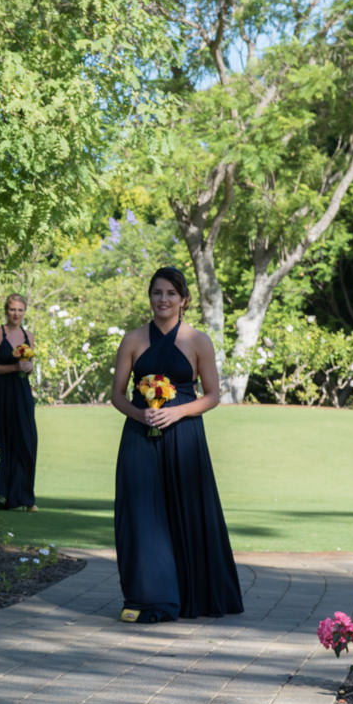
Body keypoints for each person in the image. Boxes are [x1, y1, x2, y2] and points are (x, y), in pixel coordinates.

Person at [109, 266, 244, 623]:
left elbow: (213, 395)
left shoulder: (198, 341)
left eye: (170, 293)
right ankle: (148, 596)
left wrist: (178, 413)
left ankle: (191, 595)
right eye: (156, 293)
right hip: (140, 436)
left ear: (184, 300)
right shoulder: (133, 340)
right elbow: (117, 395)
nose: (162, 300)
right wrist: (140, 416)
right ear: (150, 298)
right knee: (141, 513)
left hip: (184, 438)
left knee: (186, 510)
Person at [0, 293, 38, 510]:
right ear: (6, 310)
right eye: (12, 309)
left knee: (25, 439)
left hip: (21, 393)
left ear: (24, 312)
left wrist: (28, 368)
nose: (16, 314)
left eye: (20, 310)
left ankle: (21, 497)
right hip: (0, 393)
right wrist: (14, 368)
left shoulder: (29, 335)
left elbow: (28, 366)